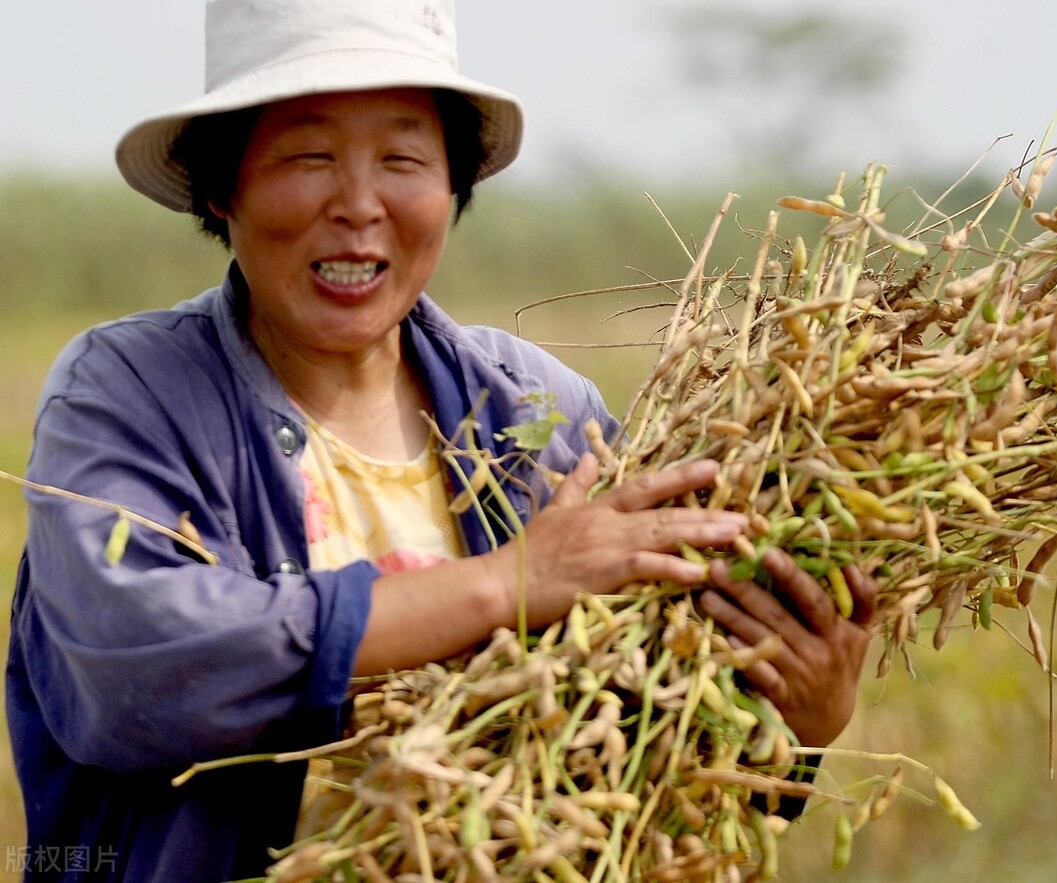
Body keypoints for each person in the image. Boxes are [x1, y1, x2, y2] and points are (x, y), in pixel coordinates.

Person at [5, 1, 879, 880]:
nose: (358, 204)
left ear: (452, 184)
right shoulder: (130, 394)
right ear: (222, 185)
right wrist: (510, 582)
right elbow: (134, 668)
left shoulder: (544, 419)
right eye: (309, 156)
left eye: (403, 159)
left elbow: (654, 765)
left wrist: (798, 726)